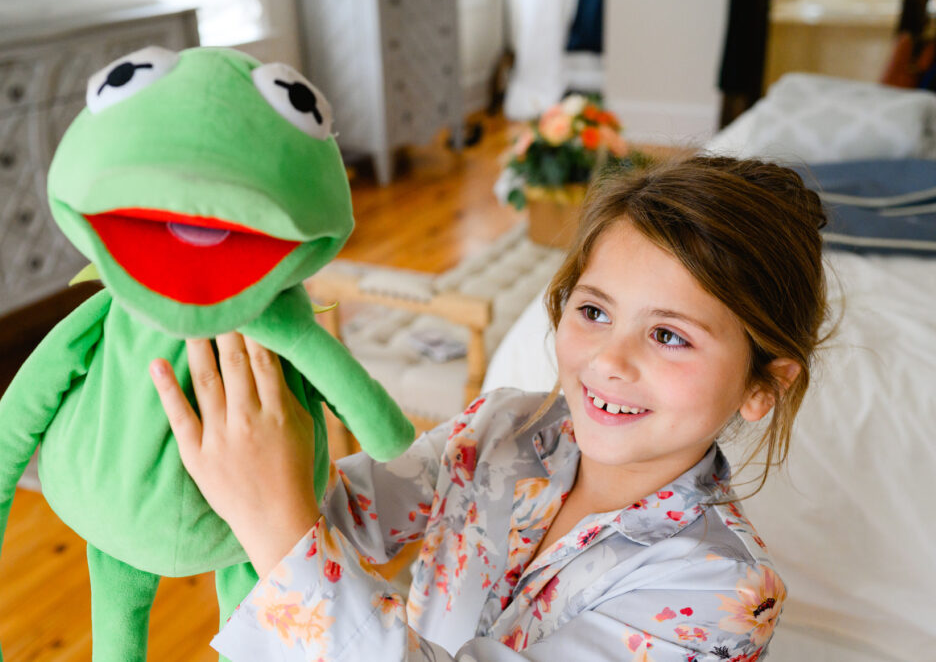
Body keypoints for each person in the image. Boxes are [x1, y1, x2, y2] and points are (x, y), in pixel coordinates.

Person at [148, 155, 829, 660]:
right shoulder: (504, 425)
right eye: (593, 311)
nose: (609, 361)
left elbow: (286, 530)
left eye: (669, 335)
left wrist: (275, 523)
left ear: (761, 387)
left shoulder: (725, 593)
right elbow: (349, 509)